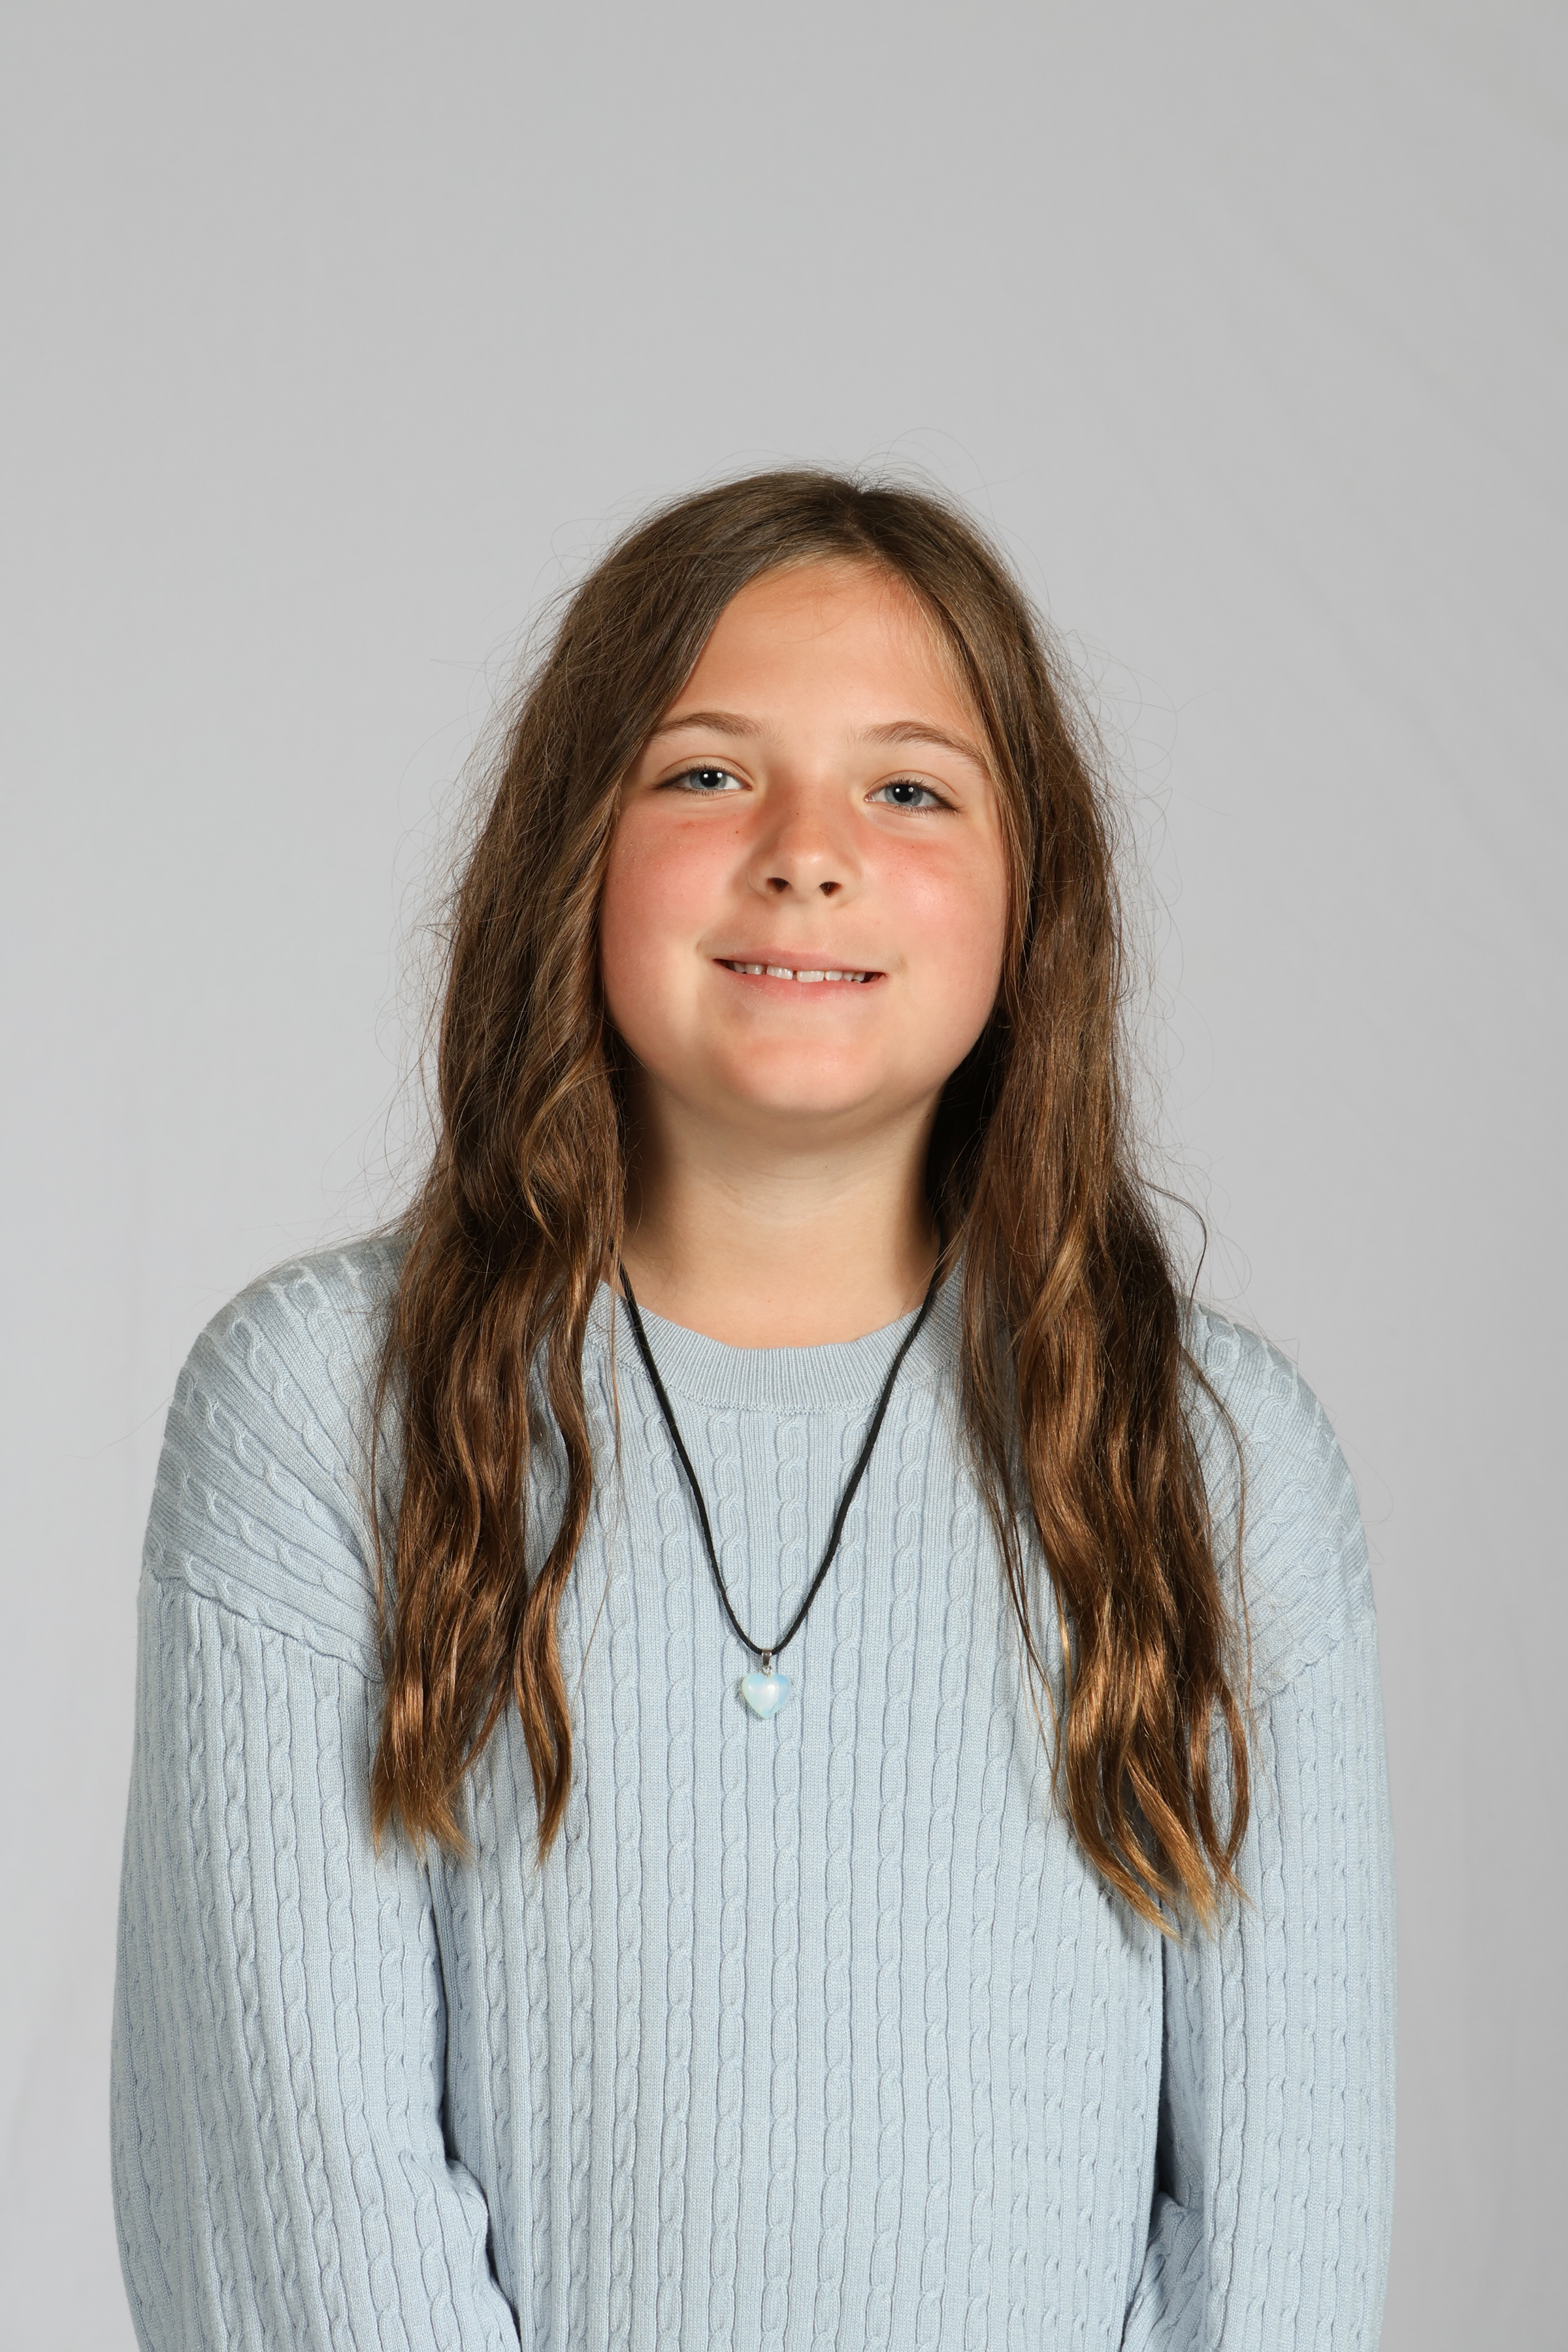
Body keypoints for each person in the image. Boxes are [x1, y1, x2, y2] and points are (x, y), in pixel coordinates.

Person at [110, 470, 1396, 2349]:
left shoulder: (1217, 1461)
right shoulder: (321, 1416)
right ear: (575, 851)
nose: (807, 853)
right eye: (707, 773)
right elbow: (294, 2205)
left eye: (911, 789)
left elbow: (1284, 2243)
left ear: (1033, 894)